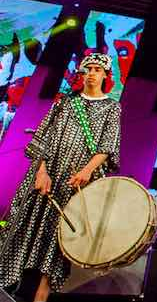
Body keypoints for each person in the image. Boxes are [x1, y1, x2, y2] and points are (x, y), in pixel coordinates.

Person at [0, 53, 122, 302]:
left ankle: (40, 297)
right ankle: (6, 285)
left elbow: (108, 147)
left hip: (76, 183)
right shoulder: (65, 102)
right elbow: (43, 136)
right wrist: (41, 171)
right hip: (48, 176)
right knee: (22, 228)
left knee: (58, 244)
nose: (91, 74)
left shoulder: (112, 108)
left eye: (97, 70)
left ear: (105, 76)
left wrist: (87, 171)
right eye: (88, 69)